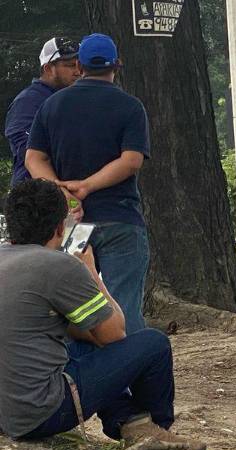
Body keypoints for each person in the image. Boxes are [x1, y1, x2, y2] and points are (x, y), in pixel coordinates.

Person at [0, 179, 203, 450]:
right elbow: (115, 334)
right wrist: (90, 270)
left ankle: (131, 422)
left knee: (83, 343)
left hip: (6, 413)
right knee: (153, 344)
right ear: (61, 228)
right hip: (37, 415)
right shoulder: (59, 266)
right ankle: (155, 431)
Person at [25, 33, 152, 333]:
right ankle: (127, 374)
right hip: (120, 221)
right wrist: (88, 186)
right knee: (125, 308)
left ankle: (78, 377)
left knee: (73, 309)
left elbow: (33, 158)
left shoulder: (52, 106)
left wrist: (61, 190)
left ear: (79, 65)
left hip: (72, 226)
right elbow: (131, 160)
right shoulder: (131, 107)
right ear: (115, 67)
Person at [4, 38, 81, 187]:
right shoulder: (28, 101)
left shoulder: (76, 99)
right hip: (35, 196)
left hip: (71, 193)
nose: (78, 71)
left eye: (79, 65)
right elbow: (25, 149)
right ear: (48, 69)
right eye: (70, 66)